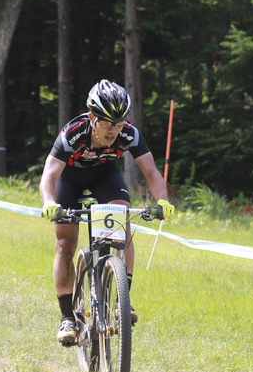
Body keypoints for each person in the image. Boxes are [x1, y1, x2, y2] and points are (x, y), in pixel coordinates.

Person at [38, 79, 174, 346]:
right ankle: (67, 317)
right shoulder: (73, 133)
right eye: (107, 123)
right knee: (65, 244)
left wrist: (163, 201)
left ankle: (122, 300)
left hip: (106, 176)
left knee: (122, 225)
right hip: (71, 179)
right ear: (92, 117)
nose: (114, 130)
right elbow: (49, 174)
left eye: (119, 123)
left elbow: (152, 173)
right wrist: (48, 203)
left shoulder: (129, 133)